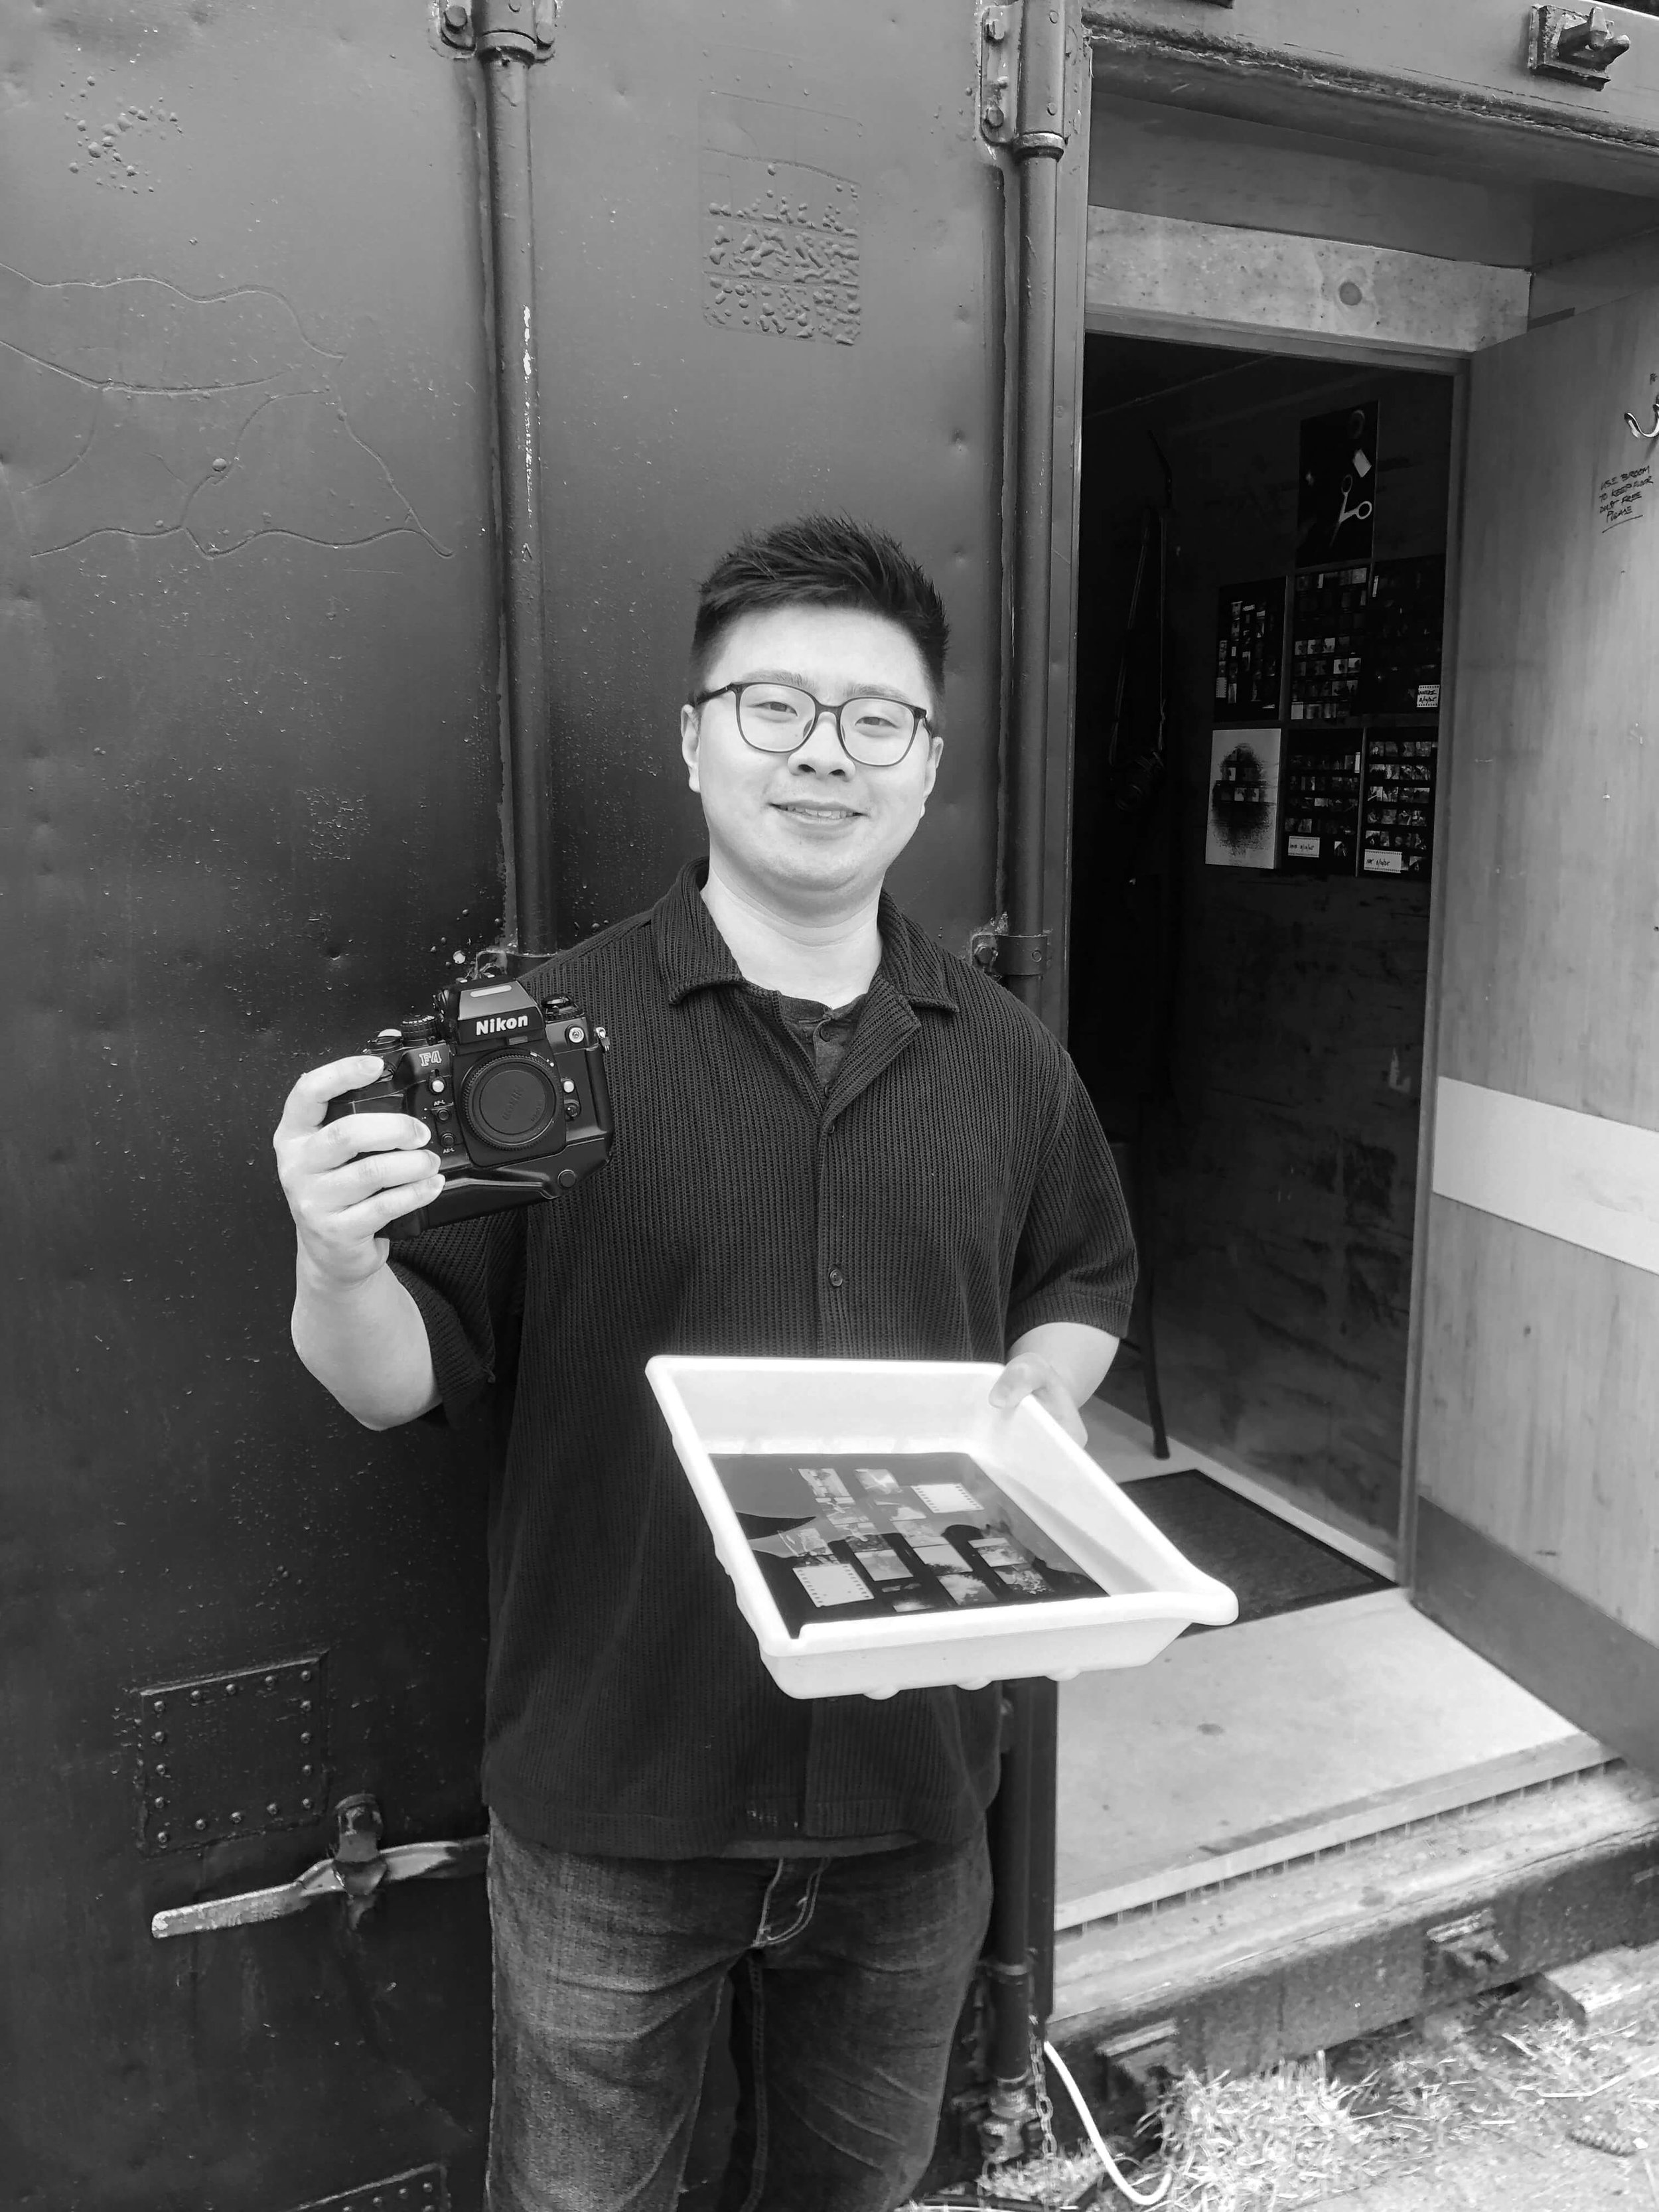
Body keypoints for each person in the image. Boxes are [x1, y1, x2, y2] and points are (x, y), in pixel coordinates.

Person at [273, 515, 1135, 2212]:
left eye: (875, 719)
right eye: (774, 706)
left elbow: (1083, 1274)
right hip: (616, 1798)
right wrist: (332, 1251)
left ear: (927, 764)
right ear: (691, 738)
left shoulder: (1008, 1062)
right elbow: (387, 1380)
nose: (825, 752)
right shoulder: (536, 1043)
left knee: (860, 2188)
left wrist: (1041, 1394)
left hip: (911, 1795)